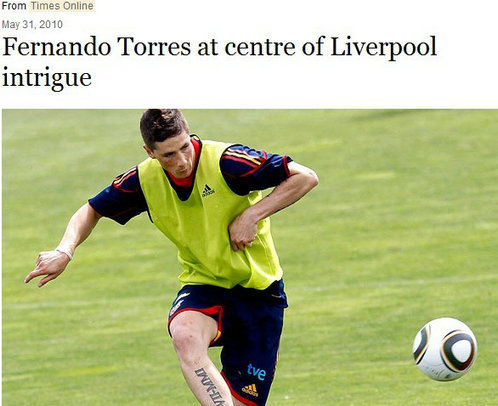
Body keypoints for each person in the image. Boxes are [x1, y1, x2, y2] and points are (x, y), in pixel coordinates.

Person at [25, 109, 319, 406]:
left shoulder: (228, 161)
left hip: (260, 292)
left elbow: (304, 177)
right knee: (185, 334)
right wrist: (65, 250)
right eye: (168, 155)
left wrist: (252, 215)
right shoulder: (144, 179)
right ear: (149, 152)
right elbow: (91, 209)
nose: (182, 161)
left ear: (190, 136)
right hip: (205, 283)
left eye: (184, 147)